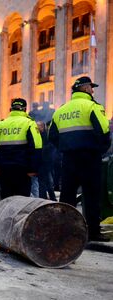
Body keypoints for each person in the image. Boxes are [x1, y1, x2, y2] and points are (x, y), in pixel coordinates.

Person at [49, 76, 111, 242]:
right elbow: (104, 131)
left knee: (67, 196)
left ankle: (64, 230)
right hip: (90, 158)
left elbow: (52, 136)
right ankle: (92, 232)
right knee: (91, 195)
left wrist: (65, 148)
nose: (92, 90)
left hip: (68, 159)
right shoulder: (92, 106)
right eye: (91, 87)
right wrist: (101, 150)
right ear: (84, 88)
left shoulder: (61, 110)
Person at [0, 98, 42, 199]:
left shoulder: (0, 124)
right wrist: (33, 169)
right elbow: (36, 147)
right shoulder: (29, 123)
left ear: (11, 109)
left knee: (6, 201)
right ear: (24, 109)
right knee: (22, 202)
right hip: (23, 170)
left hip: (4, 169)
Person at [37, 122, 57, 201]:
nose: (37, 128)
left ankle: (48, 199)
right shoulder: (41, 135)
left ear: (42, 127)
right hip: (43, 162)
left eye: (38, 126)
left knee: (47, 182)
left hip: (46, 162)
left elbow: (50, 147)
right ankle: (46, 198)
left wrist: (40, 150)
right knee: (44, 182)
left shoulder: (46, 136)